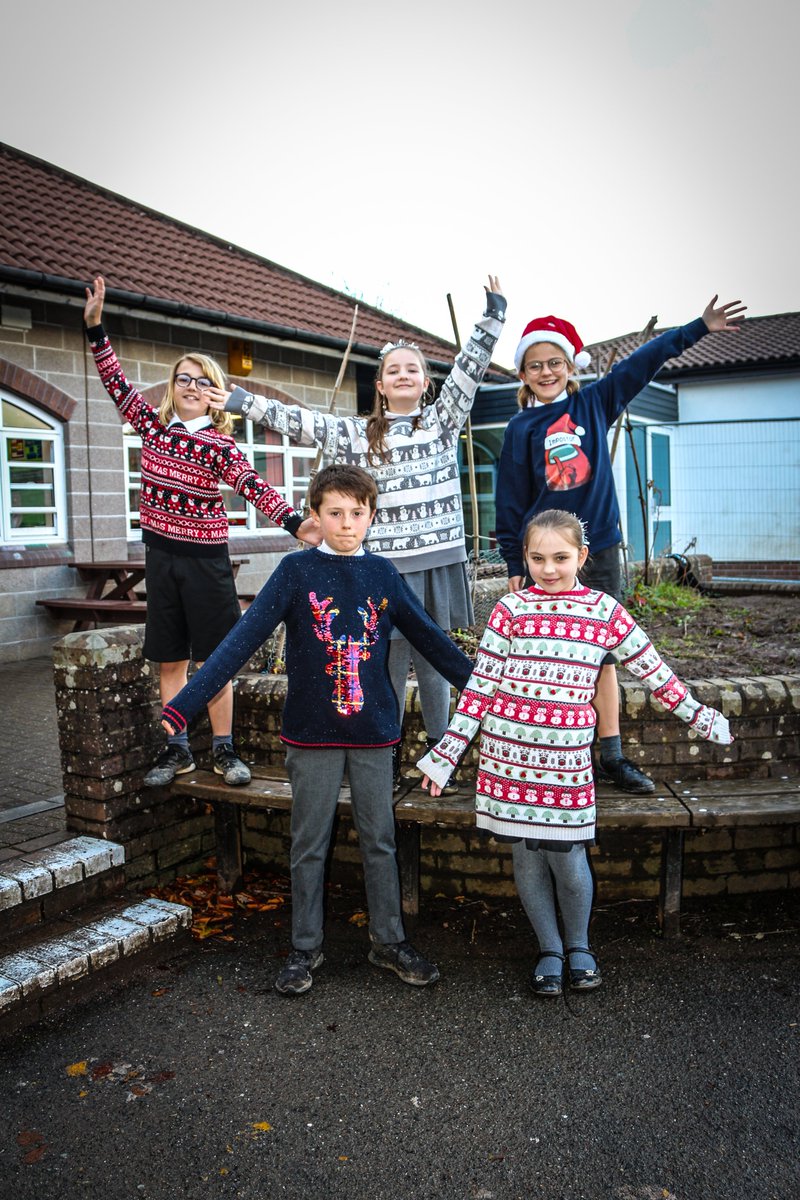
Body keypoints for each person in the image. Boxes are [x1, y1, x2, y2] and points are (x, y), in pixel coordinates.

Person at [159, 463, 474, 995]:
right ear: (316, 516)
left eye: (357, 513)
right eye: (335, 513)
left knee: (380, 840)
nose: (347, 524)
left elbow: (434, 642)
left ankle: (388, 941)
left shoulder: (384, 575)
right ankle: (304, 948)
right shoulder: (295, 571)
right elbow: (240, 642)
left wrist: (497, 693)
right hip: (310, 734)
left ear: (372, 516)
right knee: (309, 843)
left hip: (376, 733)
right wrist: (184, 705)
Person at [418, 508, 733, 997]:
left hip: (565, 766)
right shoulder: (510, 610)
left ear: (582, 556)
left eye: (560, 557)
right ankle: (548, 949)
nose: (549, 569)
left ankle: (579, 945)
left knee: (567, 856)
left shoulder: (604, 611)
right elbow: (479, 689)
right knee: (525, 857)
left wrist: (700, 716)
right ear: (525, 557)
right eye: (538, 558)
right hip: (508, 761)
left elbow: (654, 673)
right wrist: (445, 757)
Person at [204, 277, 506, 783]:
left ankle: (440, 752)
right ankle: (380, 749)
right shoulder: (355, 434)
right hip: (382, 570)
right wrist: (242, 401)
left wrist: (492, 315)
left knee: (435, 661)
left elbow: (468, 371)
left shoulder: (443, 420)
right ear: (381, 385)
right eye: (393, 370)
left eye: (413, 369)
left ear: (426, 382)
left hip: (436, 560)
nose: (403, 375)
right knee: (382, 659)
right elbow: (301, 422)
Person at [494, 297, 746, 796]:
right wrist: (514, 561)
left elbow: (643, 361)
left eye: (555, 362)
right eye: (535, 365)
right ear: (522, 374)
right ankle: (551, 751)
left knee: (603, 656)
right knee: (546, 656)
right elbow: (511, 501)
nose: (546, 371)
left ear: (570, 368)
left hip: (600, 551)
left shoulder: (595, 402)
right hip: (545, 558)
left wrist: (698, 328)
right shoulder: (520, 428)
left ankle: (611, 755)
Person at [83, 276, 320, 789]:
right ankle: (176, 749)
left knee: (216, 662)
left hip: (207, 562)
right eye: (182, 379)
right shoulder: (150, 425)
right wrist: (96, 328)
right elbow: (116, 383)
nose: (190, 387)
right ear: (172, 387)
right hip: (161, 560)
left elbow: (252, 485)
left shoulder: (219, 445)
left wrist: (295, 523)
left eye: (200, 381)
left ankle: (224, 749)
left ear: (214, 394)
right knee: (171, 660)